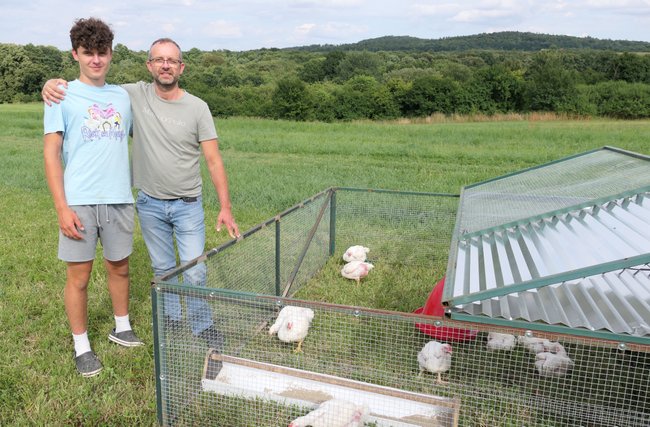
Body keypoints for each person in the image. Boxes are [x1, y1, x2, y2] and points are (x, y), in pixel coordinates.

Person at [43, 38, 240, 357]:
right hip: (149, 203)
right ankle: (173, 320)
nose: (165, 65)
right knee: (163, 267)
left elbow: (214, 160)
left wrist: (225, 206)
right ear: (149, 65)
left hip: (188, 203)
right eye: (159, 60)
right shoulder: (129, 95)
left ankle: (202, 325)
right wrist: (51, 84)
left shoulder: (197, 107)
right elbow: (92, 85)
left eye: (172, 60)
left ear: (181, 67)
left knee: (195, 270)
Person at [43, 17, 143, 378]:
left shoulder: (123, 96)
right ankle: (81, 346)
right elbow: (51, 153)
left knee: (120, 266)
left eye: (102, 53)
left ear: (111, 54)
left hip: (118, 197)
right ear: (75, 54)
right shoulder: (60, 95)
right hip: (79, 200)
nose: (96, 60)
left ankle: (122, 326)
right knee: (80, 277)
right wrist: (61, 207)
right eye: (88, 53)